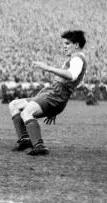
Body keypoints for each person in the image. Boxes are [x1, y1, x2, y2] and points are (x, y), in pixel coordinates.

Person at [8, 29, 87, 157]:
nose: (64, 46)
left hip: (56, 95)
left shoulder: (78, 58)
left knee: (27, 112)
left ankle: (39, 146)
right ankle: (25, 140)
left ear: (76, 45)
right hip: (52, 93)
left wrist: (48, 68)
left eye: (67, 43)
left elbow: (72, 76)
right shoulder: (73, 59)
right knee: (14, 105)